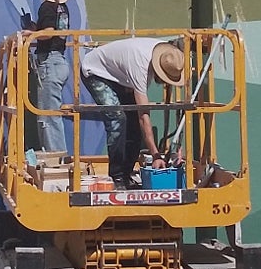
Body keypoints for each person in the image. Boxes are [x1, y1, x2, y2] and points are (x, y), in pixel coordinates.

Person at [79, 37, 187, 187]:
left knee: (133, 123)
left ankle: (126, 174)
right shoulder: (141, 67)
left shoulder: (163, 52)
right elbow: (143, 116)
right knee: (117, 119)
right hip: (95, 72)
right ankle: (117, 177)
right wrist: (155, 154)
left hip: (120, 75)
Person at [22, 0, 72, 152]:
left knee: (48, 117)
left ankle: (56, 161)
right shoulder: (62, 7)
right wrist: (37, 29)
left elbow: (50, 33)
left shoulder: (46, 7)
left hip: (49, 63)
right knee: (50, 115)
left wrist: (31, 35)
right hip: (60, 61)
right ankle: (56, 157)